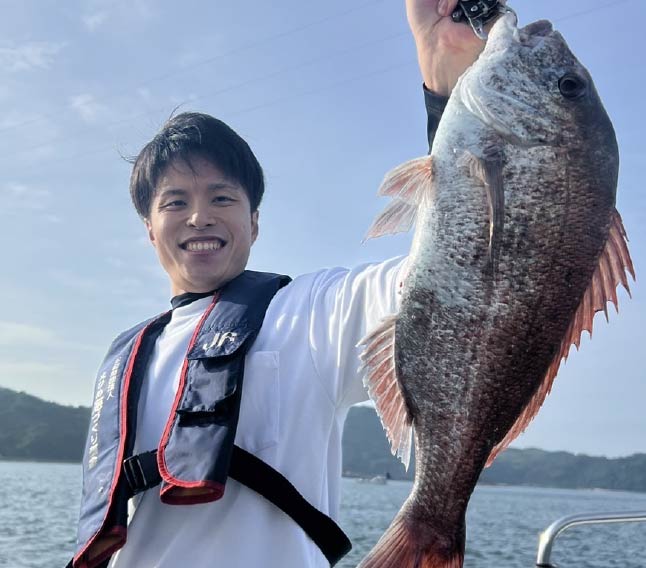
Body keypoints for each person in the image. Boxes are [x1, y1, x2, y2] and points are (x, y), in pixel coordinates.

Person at [70, 1, 492, 566]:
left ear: (254, 222)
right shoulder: (127, 356)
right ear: (150, 228)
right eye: (175, 202)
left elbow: (460, 269)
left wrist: (450, 91)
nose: (199, 217)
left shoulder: (311, 311)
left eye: (222, 198)